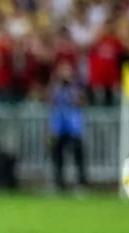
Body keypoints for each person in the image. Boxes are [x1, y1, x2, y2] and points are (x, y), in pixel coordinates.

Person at [49, 63, 88, 191]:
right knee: (58, 156)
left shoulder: (76, 87)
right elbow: (50, 100)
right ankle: (58, 182)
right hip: (59, 127)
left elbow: (82, 101)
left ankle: (81, 183)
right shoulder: (55, 87)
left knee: (78, 156)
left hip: (74, 127)